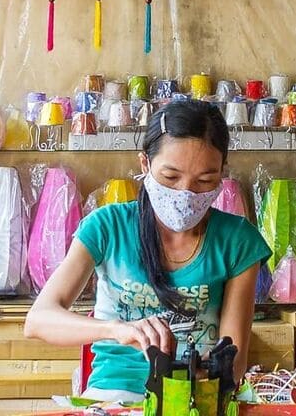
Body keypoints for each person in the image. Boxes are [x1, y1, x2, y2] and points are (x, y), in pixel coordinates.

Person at [25, 99, 270, 401]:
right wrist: (117, 330)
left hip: (197, 393)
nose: (185, 193)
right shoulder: (107, 226)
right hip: (116, 388)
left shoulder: (238, 240)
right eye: (170, 177)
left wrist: (202, 376)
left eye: (205, 180)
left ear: (222, 173)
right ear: (145, 165)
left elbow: (233, 361)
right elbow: (38, 320)